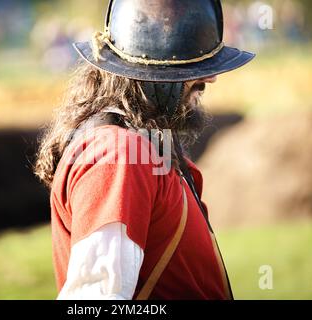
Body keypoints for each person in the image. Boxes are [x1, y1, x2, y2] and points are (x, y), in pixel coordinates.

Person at [35, 0, 254, 300]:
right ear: (151, 73)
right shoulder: (119, 153)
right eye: (192, 64)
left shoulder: (142, 146)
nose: (210, 78)